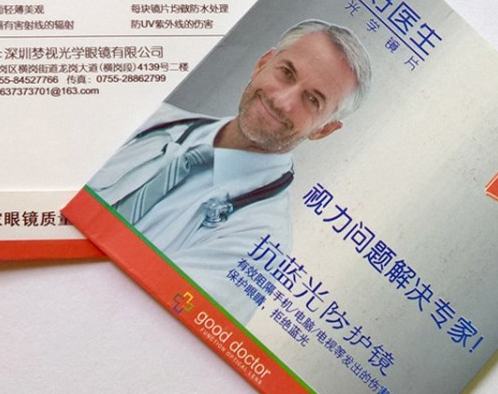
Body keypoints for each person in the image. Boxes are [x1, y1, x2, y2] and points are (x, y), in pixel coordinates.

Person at [88, 19, 372, 323]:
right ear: (263, 63)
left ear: (323, 130)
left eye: (312, 100)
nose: (282, 101)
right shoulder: (153, 118)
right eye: (286, 73)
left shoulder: (260, 244)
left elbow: (142, 326)